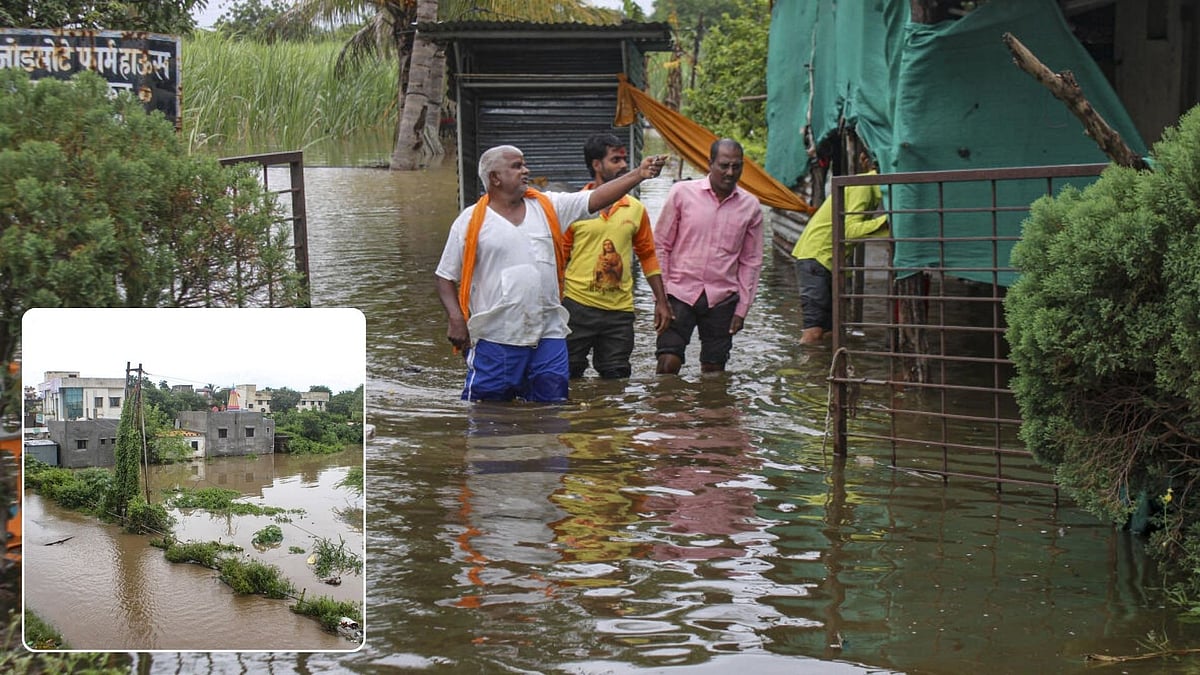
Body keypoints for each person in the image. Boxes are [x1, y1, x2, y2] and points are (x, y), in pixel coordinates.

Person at [435, 144, 665, 402]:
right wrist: (456, 318)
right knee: (489, 412)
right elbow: (445, 276)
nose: (526, 170)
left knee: (551, 409)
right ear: (494, 178)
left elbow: (595, 198)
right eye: (516, 166)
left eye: (524, 163)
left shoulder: (548, 207)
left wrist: (638, 174)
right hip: (496, 334)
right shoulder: (469, 221)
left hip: (548, 332)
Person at [561, 133, 671, 379]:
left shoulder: (635, 208)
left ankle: (610, 418)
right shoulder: (574, 207)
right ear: (596, 165)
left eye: (624, 159)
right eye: (615, 160)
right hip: (577, 307)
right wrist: (555, 303)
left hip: (619, 312)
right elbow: (560, 258)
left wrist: (661, 302)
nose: (623, 165)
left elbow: (648, 256)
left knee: (616, 376)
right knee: (568, 374)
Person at [654, 138, 763, 375]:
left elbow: (751, 262)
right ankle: (665, 410)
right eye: (724, 165)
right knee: (668, 363)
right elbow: (661, 245)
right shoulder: (682, 193)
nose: (730, 172)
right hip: (679, 293)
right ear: (710, 163)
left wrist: (742, 309)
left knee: (714, 372)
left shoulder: (751, 206)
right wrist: (661, 299)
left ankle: (710, 411)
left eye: (736, 166)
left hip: (722, 299)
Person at [791, 148, 889, 344]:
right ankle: (803, 371)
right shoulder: (864, 186)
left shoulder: (869, 188)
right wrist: (887, 222)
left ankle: (819, 371)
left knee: (830, 331)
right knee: (814, 331)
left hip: (823, 260)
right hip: (816, 258)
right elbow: (848, 230)